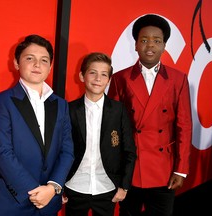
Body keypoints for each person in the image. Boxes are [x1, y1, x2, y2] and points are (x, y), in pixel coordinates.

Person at [107, 14, 192, 216]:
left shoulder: (178, 79)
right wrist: (114, 165)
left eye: (157, 41)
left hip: (164, 168)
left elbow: (184, 126)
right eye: (144, 40)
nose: (150, 46)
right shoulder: (120, 78)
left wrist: (181, 169)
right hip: (130, 167)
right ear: (135, 45)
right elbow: (112, 126)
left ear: (164, 46)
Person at [0, 34, 74, 216]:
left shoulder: (61, 104)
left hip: (49, 201)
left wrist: (53, 187)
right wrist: (35, 192)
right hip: (11, 200)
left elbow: (67, 151)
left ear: (50, 67)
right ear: (17, 63)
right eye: (29, 58)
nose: (37, 65)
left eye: (44, 60)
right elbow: (2, 152)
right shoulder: (1, 102)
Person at [64, 52, 137, 216]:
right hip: (75, 186)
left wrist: (124, 186)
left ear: (109, 80)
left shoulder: (118, 110)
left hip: (107, 186)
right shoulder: (68, 110)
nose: (98, 78)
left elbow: (129, 151)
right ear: (82, 76)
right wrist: (59, 184)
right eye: (92, 73)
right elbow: (60, 151)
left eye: (104, 74)